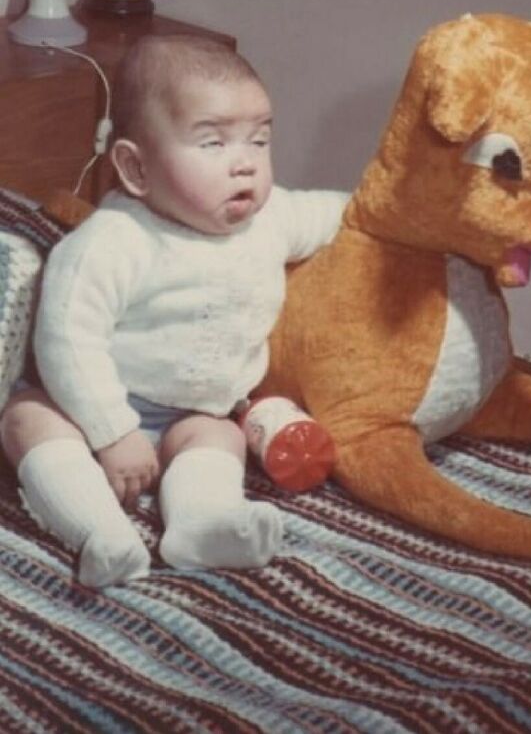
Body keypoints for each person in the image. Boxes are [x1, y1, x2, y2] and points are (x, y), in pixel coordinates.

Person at [0, 34, 348, 588]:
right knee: (25, 420)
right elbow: (68, 341)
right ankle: (98, 531)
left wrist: (404, 212)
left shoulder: (272, 217)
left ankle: (199, 526)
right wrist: (111, 433)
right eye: (212, 144)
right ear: (136, 169)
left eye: (259, 140)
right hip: (92, 411)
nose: (244, 166)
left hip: (195, 413)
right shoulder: (113, 241)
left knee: (221, 436)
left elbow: (345, 216)